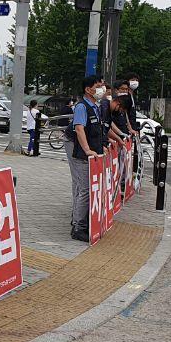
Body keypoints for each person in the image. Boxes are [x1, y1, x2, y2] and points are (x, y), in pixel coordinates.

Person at [69, 75, 109, 242]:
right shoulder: (82, 107)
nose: (102, 89)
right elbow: (79, 129)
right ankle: (78, 227)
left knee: (90, 190)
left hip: (95, 156)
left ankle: (85, 221)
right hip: (83, 157)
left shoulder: (96, 106)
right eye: (98, 86)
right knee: (84, 190)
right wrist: (87, 150)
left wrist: (102, 147)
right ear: (88, 89)